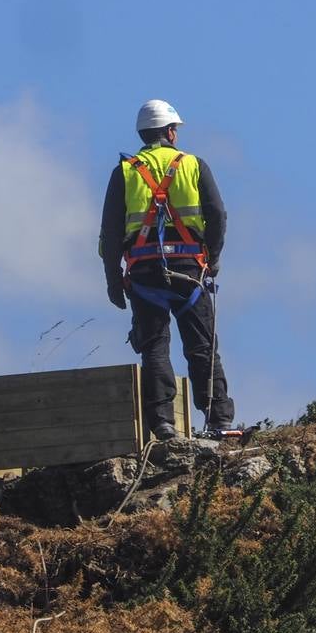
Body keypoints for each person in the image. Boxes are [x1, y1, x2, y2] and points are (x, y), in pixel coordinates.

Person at [99, 99, 234, 440]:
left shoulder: (126, 172)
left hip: (145, 275)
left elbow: (110, 234)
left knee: (154, 346)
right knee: (202, 347)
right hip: (189, 272)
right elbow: (217, 214)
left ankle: (163, 423)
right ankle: (219, 420)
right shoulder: (193, 165)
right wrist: (213, 259)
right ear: (171, 131)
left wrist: (114, 283)